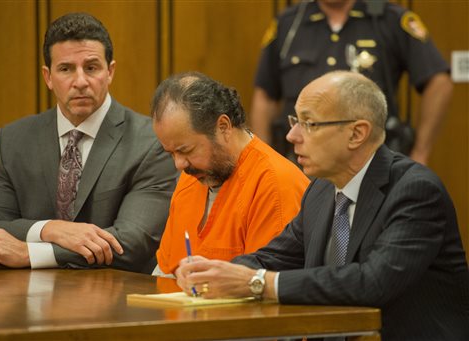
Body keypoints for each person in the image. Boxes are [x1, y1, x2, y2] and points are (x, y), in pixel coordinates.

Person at [176, 71, 469, 340]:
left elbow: (371, 283)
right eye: (294, 122)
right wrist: (214, 273)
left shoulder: (415, 191)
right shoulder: (321, 189)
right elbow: (273, 258)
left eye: (309, 124)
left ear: (357, 133)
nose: (292, 136)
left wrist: (257, 283)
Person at [0, 13, 177, 272]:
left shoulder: (149, 142)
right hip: (26, 303)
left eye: (91, 67)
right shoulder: (13, 141)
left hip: (118, 304)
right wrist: (50, 229)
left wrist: (32, 252)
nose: (80, 81)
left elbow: (133, 242)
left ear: (110, 72)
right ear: (48, 77)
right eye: (66, 69)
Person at [251, 0, 453, 165]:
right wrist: (267, 162)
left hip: (372, 165)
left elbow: (438, 81)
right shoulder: (289, 24)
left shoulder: (390, 19)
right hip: (301, 164)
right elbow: (265, 97)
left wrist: (421, 152)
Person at [151, 72, 310, 276]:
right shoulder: (192, 176)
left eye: (186, 150)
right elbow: (164, 272)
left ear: (223, 127)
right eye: (171, 153)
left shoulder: (275, 182)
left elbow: (266, 285)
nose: (179, 164)